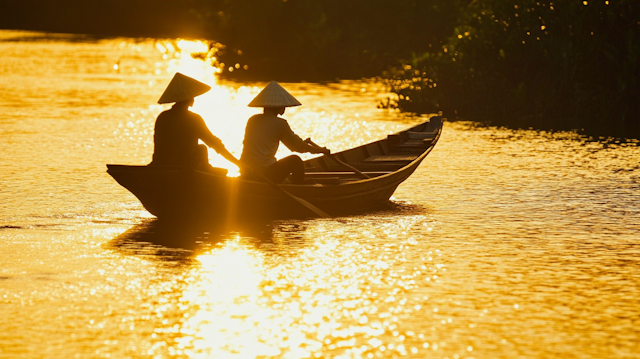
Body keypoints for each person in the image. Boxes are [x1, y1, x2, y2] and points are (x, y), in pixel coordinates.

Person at [240, 81, 330, 184]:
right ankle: (298, 189)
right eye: (283, 106)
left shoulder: (252, 120)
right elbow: (297, 146)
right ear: (277, 106)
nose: (284, 108)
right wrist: (320, 150)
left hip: (246, 171)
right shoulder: (280, 124)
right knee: (296, 161)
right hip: (264, 173)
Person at [150, 72, 241, 172]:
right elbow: (215, 144)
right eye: (193, 97)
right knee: (202, 149)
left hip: (160, 166)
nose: (194, 100)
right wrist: (239, 164)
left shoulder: (162, 117)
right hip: (183, 168)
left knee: (201, 149)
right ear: (190, 100)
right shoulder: (194, 119)